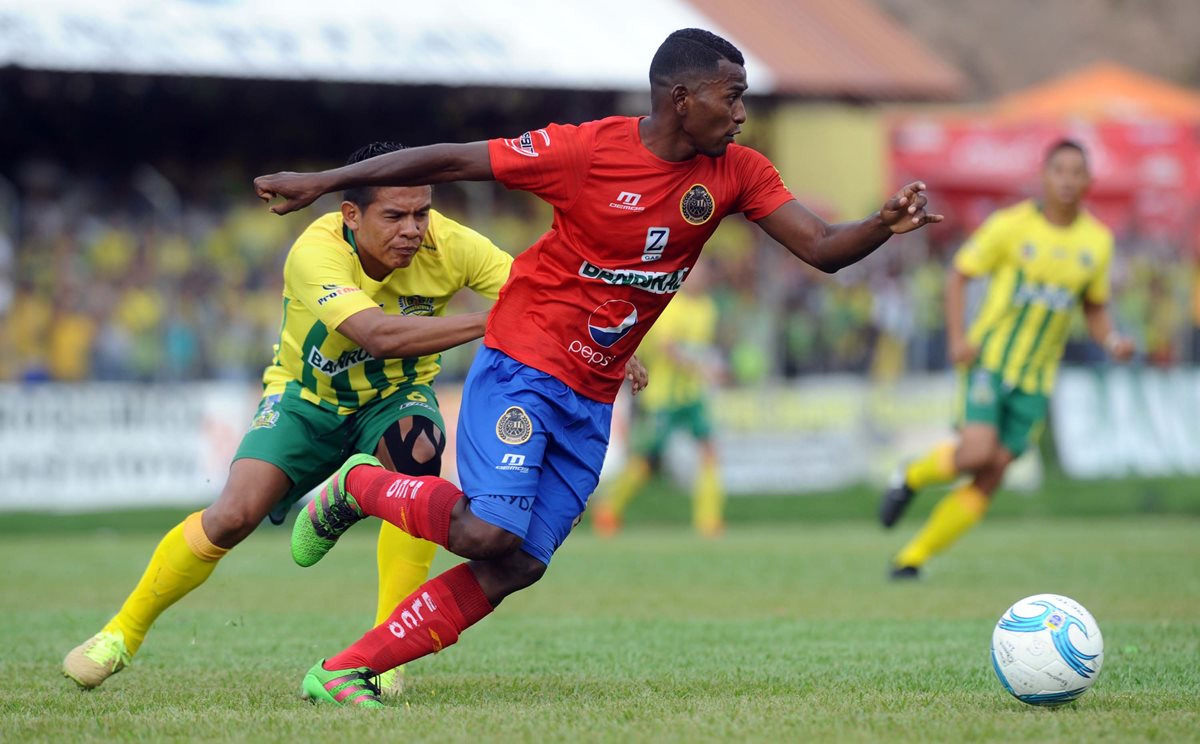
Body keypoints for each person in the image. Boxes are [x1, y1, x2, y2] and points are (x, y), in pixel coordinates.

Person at [254, 27, 941, 708]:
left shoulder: (738, 172)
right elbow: (455, 160)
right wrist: (325, 182)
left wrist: (880, 224)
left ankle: (344, 671)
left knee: (518, 563)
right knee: (488, 531)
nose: (741, 113)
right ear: (681, 99)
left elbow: (821, 246)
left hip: (593, 394)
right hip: (523, 364)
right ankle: (359, 486)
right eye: (730, 97)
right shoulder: (585, 150)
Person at [63, 142, 515, 692]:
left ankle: (387, 655)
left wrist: (594, 332)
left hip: (395, 396)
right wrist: (494, 321)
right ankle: (121, 633)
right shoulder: (315, 251)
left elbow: (536, 293)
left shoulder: (454, 245)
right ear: (351, 215)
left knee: (418, 454)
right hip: (304, 399)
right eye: (395, 215)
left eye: (422, 213)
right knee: (233, 515)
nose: (413, 230)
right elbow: (377, 335)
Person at [878, 139, 1135, 580]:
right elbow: (959, 274)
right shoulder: (1010, 226)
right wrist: (957, 339)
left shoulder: (1097, 242)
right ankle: (911, 475)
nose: (1068, 180)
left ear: (1089, 181)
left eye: (1077, 172)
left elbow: (1093, 306)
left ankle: (911, 559)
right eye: (1060, 170)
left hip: (1037, 378)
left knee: (993, 470)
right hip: (991, 361)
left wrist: (1112, 341)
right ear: (1044, 176)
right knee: (977, 452)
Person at [592, 260, 727, 537]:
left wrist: (713, 368)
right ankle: (608, 509)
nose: (699, 278)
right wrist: (702, 369)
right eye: (695, 273)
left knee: (709, 449)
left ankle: (709, 521)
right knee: (646, 459)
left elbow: (701, 349)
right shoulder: (671, 305)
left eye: (703, 274)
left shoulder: (708, 308)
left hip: (692, 395)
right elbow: (667, 348)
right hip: (664, 397)